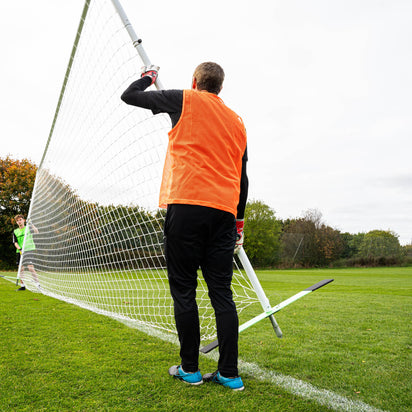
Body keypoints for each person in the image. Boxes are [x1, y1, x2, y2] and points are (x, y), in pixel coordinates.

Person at [121, 62, 248, 391]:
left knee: (184, 290)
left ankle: (190, 369)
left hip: (188, 205)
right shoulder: (237, 122)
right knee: (223, 293)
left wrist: (148, 78)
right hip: (223, 212)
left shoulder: (184, 99)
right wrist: (239, 221)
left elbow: (129, 95)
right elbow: (242, 177)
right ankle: (230, 374)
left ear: (195, 81)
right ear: (220, 87)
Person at [13, 214, 41, 291]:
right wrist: (19, 248)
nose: (19, 221)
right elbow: (15, 242)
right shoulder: (15, 231)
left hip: (29, 250)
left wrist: (31, 224)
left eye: (20, 219)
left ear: (24, 220)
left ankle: (38, 285)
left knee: (30, 268)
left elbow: (36, 231)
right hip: (20, 251)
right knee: (21, 269)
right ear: (16, 222)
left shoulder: (28, 228)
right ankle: (22, 286)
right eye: (17, 220)